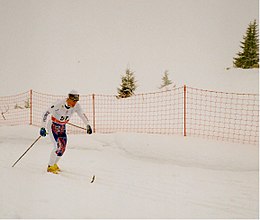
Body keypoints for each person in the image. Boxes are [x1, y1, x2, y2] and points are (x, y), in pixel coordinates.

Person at [39, 90, 92, 174]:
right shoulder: (59, 104)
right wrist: (43, 127)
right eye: (73, 100)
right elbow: (46, 113)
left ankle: (54, 164)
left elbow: (82, 114)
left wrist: (88, 125)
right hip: (53, 125)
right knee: (57, 146)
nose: (74, 103)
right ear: (69, 99)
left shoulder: (76, 106)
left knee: (62, 148)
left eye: (76, 101)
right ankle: (50, 166)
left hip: (62, 127)